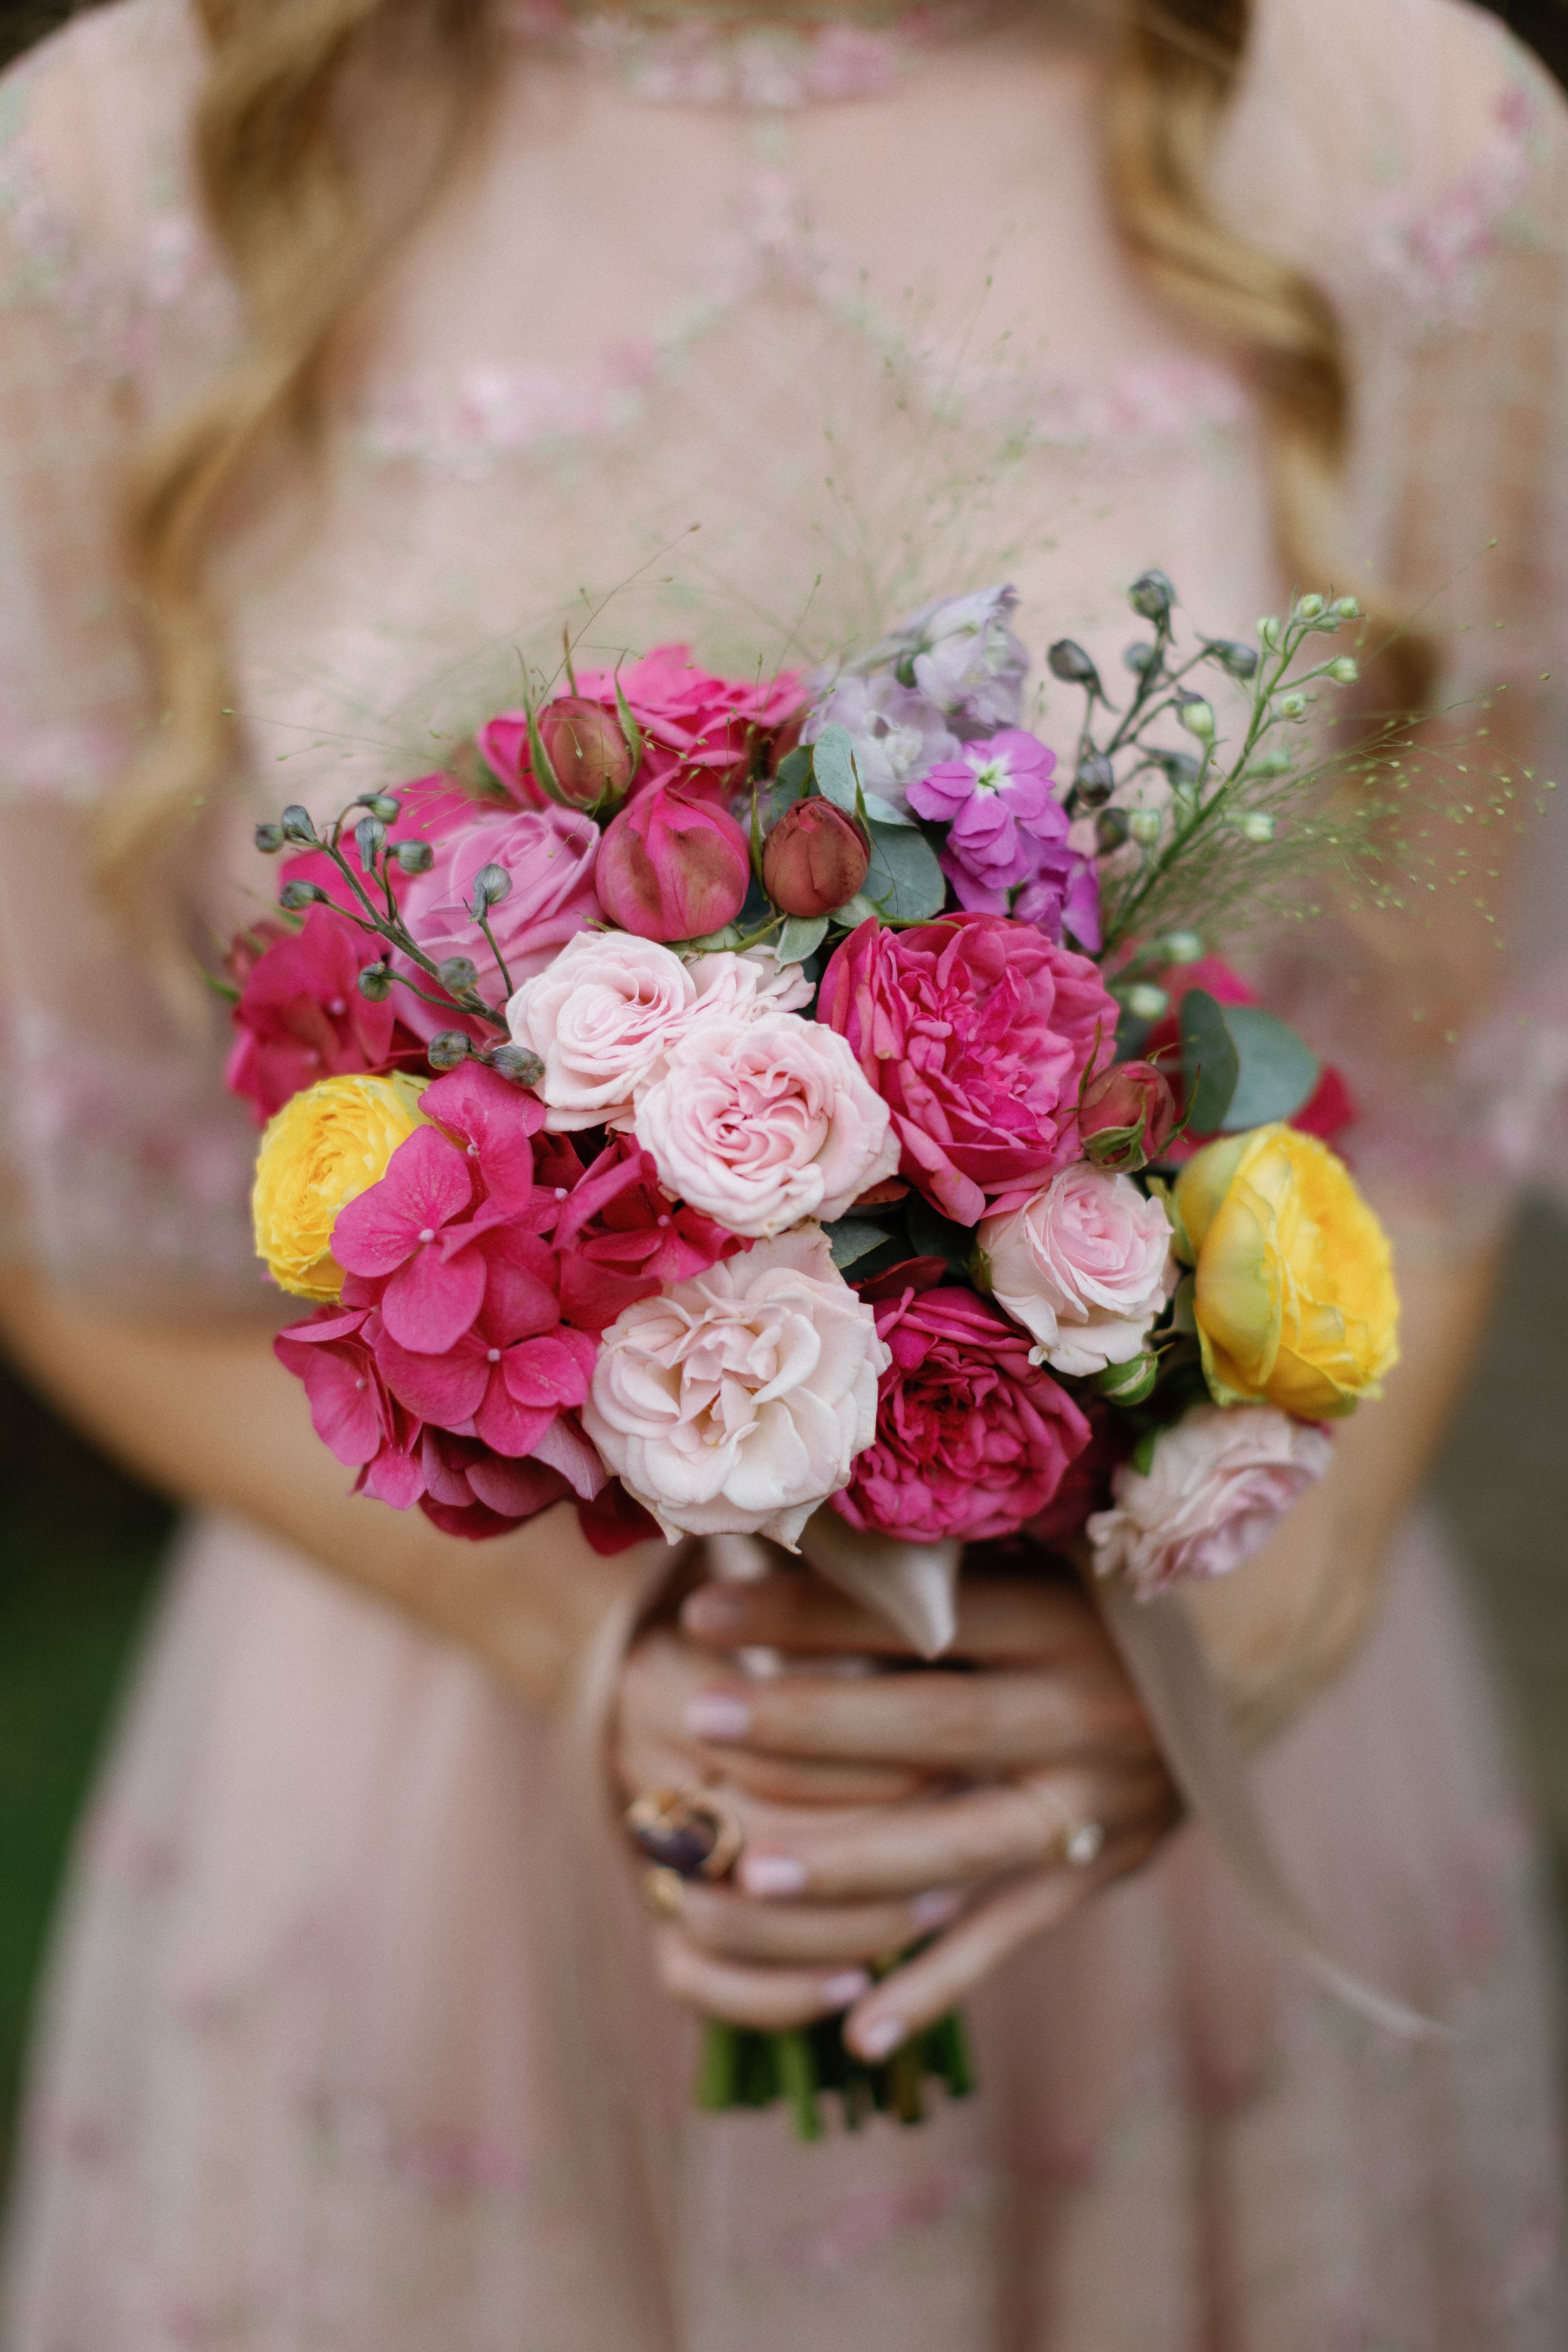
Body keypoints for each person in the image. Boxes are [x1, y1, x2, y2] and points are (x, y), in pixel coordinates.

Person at [0, 0, 1564, 2341]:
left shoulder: (1393, 127)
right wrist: (598, 1646)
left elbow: (1433, 1121)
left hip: (1183, 1748)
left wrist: (1245, 1625)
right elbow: (74, 1219)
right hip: (436, 1799)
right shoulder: (120, 175)